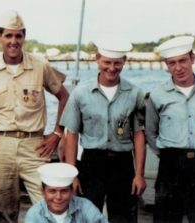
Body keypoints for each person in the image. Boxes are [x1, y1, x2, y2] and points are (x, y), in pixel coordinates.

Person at [0, 10, 69, 223]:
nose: (13, 41)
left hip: (35, 145)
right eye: (8, 36)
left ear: (24, 37)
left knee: (48, 206)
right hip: (0, 146)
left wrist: (57, 133)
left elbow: (64, 96)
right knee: (3, 210)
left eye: (18, 36)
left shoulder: (40, 66)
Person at [60, 34, 146, 223]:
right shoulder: (80, 93)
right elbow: (71, 135)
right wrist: (71, 174)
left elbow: (139, 136)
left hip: (122, 165)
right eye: (107, 62)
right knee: (85, 218)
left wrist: (139, 174)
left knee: (123, 218)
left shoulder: (135, 94)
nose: (112, 68)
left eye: (117, 63)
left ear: (124, 61)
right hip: (91, 164)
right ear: (97, 59)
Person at [146, 35, 195, 222]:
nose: (178, 68)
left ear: (192, 59)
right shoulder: (158, 95)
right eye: (172, 63)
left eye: (182, 61)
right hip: (170, 167)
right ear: (166, 65)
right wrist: (168, 155)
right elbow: (150, 132)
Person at [25, 162, 108, 223]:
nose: (58, 197)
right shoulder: (34, 215)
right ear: (43, 192)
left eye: (64, 191)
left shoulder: (86, 207)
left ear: (71, 191)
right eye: (52, 191)